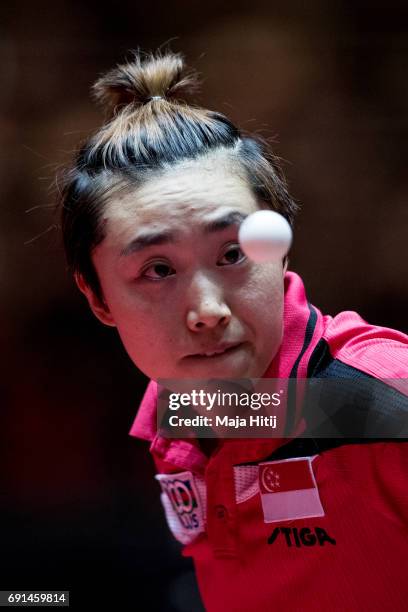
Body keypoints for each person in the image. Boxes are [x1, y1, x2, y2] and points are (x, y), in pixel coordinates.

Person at [58, 50, 408, 611]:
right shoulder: (180, 410)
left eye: (231, 253)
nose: (207, 309)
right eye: (158, 270)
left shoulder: (381, 397)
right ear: (96, 296)